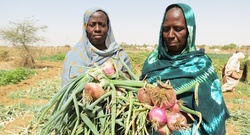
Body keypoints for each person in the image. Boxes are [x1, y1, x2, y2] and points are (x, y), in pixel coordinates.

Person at [140, 3, 230, 135]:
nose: (170, 35)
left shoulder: (201, 66)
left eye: (178, 28)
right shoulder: (152, 61)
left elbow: (213, 119)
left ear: (190, 30)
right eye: (166, 29)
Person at [61, 7, 132, 87]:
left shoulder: (119, 55)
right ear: (85, 27)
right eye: (92, 25)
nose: (97, 29)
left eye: (102, 25)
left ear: (108, 28)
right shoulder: (73, 56)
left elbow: (130, 83)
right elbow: (67, 92)